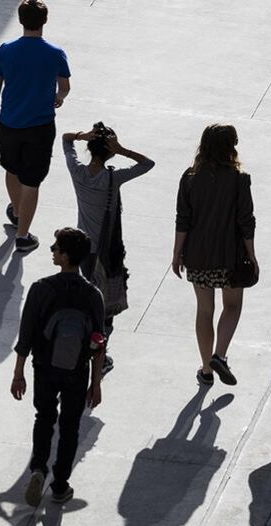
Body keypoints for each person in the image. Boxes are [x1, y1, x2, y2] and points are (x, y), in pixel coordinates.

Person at [11, 227, 105, 507]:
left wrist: (18, 374)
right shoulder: (93, 294)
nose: (52, 251)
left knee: (44, 417)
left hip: (44, 366)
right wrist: (96, 383)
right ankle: (61, 485)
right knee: (70, 426)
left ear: (65, 256)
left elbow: (26, 336)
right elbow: (99, 342)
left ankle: (38, 468)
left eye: (56, 248)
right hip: (77, 370)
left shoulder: (41, 289)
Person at [0, 0, 71, 254]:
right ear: (44, 21)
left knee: (12, 168)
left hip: (10, 123)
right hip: (40, 126)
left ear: (20, 21)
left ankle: (17, 211)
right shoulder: (55, 53)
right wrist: (59, 97)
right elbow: (65, 87)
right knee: (32, 180)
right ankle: (23, 235)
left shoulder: (6, 50)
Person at [62, 121, 154, 372]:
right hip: (108, 251)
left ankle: (88, 348)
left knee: (89, 298)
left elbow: (65, 139)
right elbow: (148, 164)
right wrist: (123, 150)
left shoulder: (77, 171)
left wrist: (82, 135)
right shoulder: (114, 178)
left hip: (84, 250)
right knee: (105, 306)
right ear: (110, 152)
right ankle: (100, 356)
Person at [171, 123, 256, 387]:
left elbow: (183, 219)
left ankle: (207, 370)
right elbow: (246, 221)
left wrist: (177, 253)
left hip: (197, 255)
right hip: (230, 256)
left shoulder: (190, 177)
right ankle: (220, 354)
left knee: (205, 310)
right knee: (232, 306)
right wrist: (252, 255)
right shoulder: (239, 178)